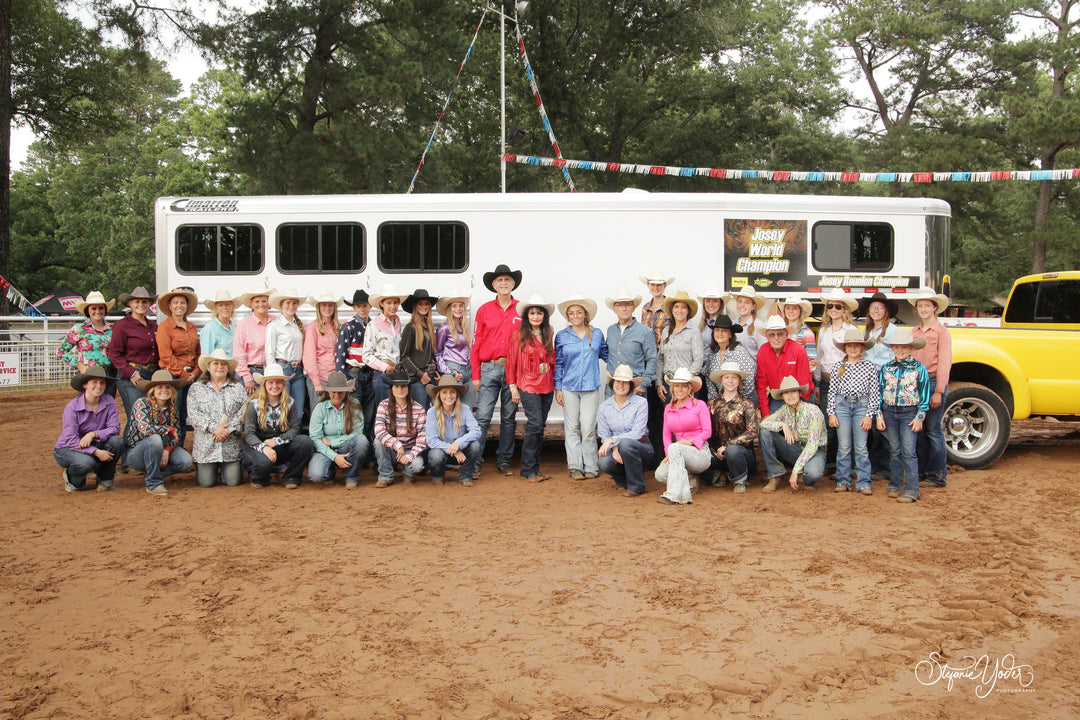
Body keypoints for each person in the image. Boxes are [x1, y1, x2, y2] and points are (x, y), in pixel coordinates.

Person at [471, 264, 523, 476]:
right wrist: (476, 375)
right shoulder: (484, 310)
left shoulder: (522, 309)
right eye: (499, 280)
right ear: (493, 285)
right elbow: (476, 343)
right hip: (489, 368)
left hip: (513, 370)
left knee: (509, 418)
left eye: (507, 280)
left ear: (513, 284)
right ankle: (475, 463)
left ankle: (504, 461)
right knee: (482, 417)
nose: (503, 283)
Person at [554, 295, 608, 480]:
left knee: (588, 428)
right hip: (569, 387)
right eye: (571, 313)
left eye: (579, 312)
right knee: (571, 428)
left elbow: (607, 355)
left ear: (585, 314)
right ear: (567, 316)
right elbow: (558, 363)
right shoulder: (562, 336)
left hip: (590, 386)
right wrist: (558, 388)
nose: (575, 316)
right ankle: (575, 466)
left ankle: (591, 466)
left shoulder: (597, 334)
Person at [877, 328, 931, 503]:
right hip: (889, 411)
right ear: (892, 348)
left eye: (904, 347)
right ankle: (896, 482)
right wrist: (879, 414)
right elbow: (880, 391)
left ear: (911, 349)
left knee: (908, 451)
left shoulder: (919, 368)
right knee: (895, 449)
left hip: (909, 412)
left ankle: (913, 488)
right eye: (897, 347)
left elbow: (924, 393)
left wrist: (920, 416)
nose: (900, 350)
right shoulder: (887, 367)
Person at [507, 295, 557, 483]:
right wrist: (513, 387)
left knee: (540, 426)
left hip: (547, 384)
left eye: (539, 313)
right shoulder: (518, 335)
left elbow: (551, 359)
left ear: (544, 316)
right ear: (527, 316)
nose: (536, 317)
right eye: (532, 313)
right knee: (535, 424)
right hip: (527, 384)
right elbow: (511, 361)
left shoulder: (549, 332)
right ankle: (527, 469)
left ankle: (534, 468)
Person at [242, 363, 314, 489]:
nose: (274, 386)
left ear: (283, 384)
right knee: (263, 462)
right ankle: (259, 477)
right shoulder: (254, 404)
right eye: (271, 382)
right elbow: (249, 433)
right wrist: (264, 447)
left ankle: (291, 476)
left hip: (279, 444)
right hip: (257, 445)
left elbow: (295, 428)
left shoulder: (290, 403)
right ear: (264, 384)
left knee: (305, 442)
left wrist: (276, 441)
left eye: (278, 382)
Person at [825, 329, 880, 495]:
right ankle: (843, 480)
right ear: (845, 348)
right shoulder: (838, 367)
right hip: (842, 405)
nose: (853, 348)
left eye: (856, 345)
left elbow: (874, 393)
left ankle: (863, 482)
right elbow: (832, 392)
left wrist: (869, 415)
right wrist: (831, 413)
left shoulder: (869, 367)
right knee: (844, 446)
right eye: (850, 345)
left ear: (862, 348)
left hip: (862, 405)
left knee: (861, 446)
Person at [54, 366, 125, 492]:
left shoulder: (109, 401)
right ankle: (72, 479)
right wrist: (96, 452)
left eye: (102, 383)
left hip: (94, 442)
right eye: (94, 382)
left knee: (117, 442)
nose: (99, 386)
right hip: (68, 448)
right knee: (86, 463)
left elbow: (114, 428)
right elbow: (70, 439)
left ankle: (105, 478)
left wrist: (93, 434)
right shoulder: (72, 407)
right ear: (85, 385)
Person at [124, 369, 194, 496]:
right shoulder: (141, 404)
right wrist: (168, 429)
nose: (164, 390)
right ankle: (153, 483)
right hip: (137, 453)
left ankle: (154, 472)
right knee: (155, 439)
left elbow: (177, 433)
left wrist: (167, 450)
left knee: (186, 461)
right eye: (160, 387)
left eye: (168, 387)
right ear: (153, 390)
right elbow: (145, 430)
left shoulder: (172, 407)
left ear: (172, 390)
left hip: (161, 448)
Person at [910, 287, 953, 489]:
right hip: (916, 383)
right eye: (920, 306)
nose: (924, 309)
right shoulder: (914, 332)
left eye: (927, 305)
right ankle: (921, 471)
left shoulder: (941, 332)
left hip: (933, 380)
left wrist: (939, 391)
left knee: (933, 430)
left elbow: (945, 362)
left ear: (934, 307)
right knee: (918, 430)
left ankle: (938, 474)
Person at [187, 348, 248, 488]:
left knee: (233, 482)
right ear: (208, 367)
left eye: (223, 364)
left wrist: (228, 430)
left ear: (228, 368)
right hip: (206, 446)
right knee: (206, 483)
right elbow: (194, 414)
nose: (220, 367)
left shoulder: (238, 388)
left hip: (230, 444)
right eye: (216, 363)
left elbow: (243, 412)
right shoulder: (196, 388)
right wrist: (215, 428)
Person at [814, 288, 859, 471]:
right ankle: (831, 461)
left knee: (845, 422)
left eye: (838, 306)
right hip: (826, 381)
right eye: (830, 306)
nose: (833, 309)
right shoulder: (824, 330)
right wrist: (817, 383)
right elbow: (819, 357)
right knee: (828, 422)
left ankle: (848, 464)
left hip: (845, 381)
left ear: (845, 309)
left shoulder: (851, 330)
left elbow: (857, 357)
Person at [758, 375, 827, 493]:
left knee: (812, 475)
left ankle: (802, 473)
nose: (790, 395)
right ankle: (775, 474)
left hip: (815, 451)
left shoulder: (813, 411)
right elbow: (763, 424)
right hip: (795, 448)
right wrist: (782, 425)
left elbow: (812, 445)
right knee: (764, 433)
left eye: (793, 391)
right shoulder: (784, 410)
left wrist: (795, 471)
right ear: (782, 396)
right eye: (786, 392)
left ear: (799, 393)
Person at [107, 286, 160, 435]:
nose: (141, 305)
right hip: (132, 375)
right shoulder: (122, 326)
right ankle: (129, 448)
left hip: (151, 374)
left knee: (148, 415)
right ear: (130, 304)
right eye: (137, 301)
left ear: (149, 304)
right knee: (137, 416)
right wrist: (131, 373)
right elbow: (114, 353)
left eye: (144, 302)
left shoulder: (153, 326)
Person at [655, 368, 712, 505]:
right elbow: (666, 434)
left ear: (690, 389)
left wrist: (691, 442)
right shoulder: (668, 408)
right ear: (672, 388)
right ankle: (690, 481)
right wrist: (669, 454)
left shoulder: (700, 405)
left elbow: (707, 431)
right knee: (660, 474)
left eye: (684, 386)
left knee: (676, 447)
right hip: (677, 451)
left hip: (699, 452)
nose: (680, 389)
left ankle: (675, 495)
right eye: (677, 386)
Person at [858, 292, 899, 479]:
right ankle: (876, 465)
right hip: (869, 381)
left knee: (885, 424)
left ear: (886, 311)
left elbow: (897, 356)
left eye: (880, 307)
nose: (876, 310)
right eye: (873, 307)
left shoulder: (892, 331)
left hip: (885, 380)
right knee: (873, 425)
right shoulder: (866, 332)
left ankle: (889, 467)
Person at [597, 365, 652, 497]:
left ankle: (637, 486)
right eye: (618, 381)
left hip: (641, 446)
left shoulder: (641, 403)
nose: (621, 385)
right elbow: (604, 434)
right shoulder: (604, 407)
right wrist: (615, 448)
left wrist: (613, 440)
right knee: (604, 462)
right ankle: (622, 481)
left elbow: (638, 432)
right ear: (612, 384)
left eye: (625, 382)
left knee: (626, 444)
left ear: (630, 385)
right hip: (618, 448)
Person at [307, 371, 370, 489]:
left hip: (344, 446)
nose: (337, 395)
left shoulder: (354, 404)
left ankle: (351, 476)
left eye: (340, 391)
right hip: (325, 449)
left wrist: (333, 442)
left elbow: (357, 431)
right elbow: (315, 437)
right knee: (316, 476)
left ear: (345, 391)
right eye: (333, 391)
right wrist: (335, 457)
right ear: (328, 392)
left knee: (361, 441)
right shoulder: (320, 407)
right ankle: (330, 471)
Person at [156, 287, 201, 448]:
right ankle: (168, 447)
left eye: (182, 302)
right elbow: (166, 356)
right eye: (175, 302)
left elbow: (198, 353)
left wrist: (195, 372)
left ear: (186, 306)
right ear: (170, 306)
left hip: (191, 376)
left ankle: (179, 447)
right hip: (174, 377)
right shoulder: (164, 327)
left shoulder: (191, 327)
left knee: (184, 414)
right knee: (172, 414)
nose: (179, 306)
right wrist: (184, 375)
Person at [706, 361, 759, 493]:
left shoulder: (746, 404)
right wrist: (714, 450)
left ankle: (739, 480)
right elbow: (706, 429)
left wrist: (728, 446)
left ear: (739, 380)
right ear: (721, 380)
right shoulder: (712, 403)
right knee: (700, 457)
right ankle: (722, 472)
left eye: (734, 377)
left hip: (740, 454)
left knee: (733, 451)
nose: (730, 381)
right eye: (727, 377)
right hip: (717, 453)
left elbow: (752, 431)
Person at [373, 368, 427, 488]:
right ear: (391, 389)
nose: (400, 390)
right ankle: (385, 476)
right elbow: (379, 430)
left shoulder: (419, 409)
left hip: (409, 449)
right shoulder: (383, 405)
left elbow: (422, 438)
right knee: (378, 442)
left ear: (408, 388)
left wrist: (410, 455)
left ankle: (407, 473)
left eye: (403, 386)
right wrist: (397, 445)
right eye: (396, 386)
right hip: (391, 450)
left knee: (417, 466)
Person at [639, 270, 672, 466]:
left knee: (665, 410)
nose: (656, 287)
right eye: (653, 284)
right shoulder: (645, 308)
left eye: (659, 284)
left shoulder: (670, 307)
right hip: (648, 363)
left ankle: (665, 454)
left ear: (664, 286)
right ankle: (654, 455)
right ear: (649, 286)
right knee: (650, 411)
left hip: (665, 362)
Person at [426, 375, 483, 486]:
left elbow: (476, 431)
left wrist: (458, 443)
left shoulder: (465, 409)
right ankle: (437, 476)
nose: (449, 396)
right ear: (439, 395)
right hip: (442, 452)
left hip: (461, 450)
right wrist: (452, 449)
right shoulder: (432, 412)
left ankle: (466, 476)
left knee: (475, 446)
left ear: (457, 394)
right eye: (444, 392)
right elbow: (431, 440)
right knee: (436, 455)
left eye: (452, 392)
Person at [336, 289, 376, 444]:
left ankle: (367, 445)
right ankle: (355, 444)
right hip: (354, 374)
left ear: (370, 306)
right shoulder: (348, 327)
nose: (362, 309)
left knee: (370, 411)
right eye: (359, 306)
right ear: (354, 308)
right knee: (355, 412)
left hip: (371, 373)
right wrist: (344, 378)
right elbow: (340, 355)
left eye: (365, 305)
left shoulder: (374, 326)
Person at [57, 290, 116, 396]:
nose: (97, 311)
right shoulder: (79, 329)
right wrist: (79, 366)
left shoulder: (112, 330)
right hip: (88, 375)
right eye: (94, 308)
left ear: (105, 310)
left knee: (107, 404)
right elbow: (61, 351)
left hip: (107, 376)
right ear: (88, 310)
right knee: (87, 405)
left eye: (101, 308)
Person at [603, 289, 657, 401]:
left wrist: (643, 384)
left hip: (635, 389)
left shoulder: (645, 331)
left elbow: (652, 359)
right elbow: (608, 354)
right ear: (614, 309)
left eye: (628, 304)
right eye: (620, 305)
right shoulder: (611, 330)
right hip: (612, 389)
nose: (624, 308)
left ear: (633, 307)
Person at [755, 315, 814, 415]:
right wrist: (765, 412)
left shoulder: (798, 350)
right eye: (772, 335)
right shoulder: (763, 351)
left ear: (786, 334)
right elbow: (761, 384)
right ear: (766, 336)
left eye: (780, 334)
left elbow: (804, 381)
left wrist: (798, 410)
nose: (776, 338)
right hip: (778, 398)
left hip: (801, 397)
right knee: (768, 424)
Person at [362, 284, 407, 406]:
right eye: (389, 303)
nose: (393, 306)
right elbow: (366, 355)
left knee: (397, 409)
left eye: (395, 303)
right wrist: (384, 367)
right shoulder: (373, 325)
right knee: (384, 410)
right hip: (383, 374)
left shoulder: (397, 322)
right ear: (381, 304)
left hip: (397, 372)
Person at [656, 290, 704, 402]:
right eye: (676, 307)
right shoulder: (666, 331)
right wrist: (659, 383)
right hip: (668, 383)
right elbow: (660, 358)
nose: (680, 310)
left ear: (688, 311)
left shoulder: (694, 331)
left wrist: (686, 381)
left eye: (683, 307)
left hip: (686, 385)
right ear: (672, 310)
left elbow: (698, 359)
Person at [266, 289, 308, 414]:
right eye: (288, 303)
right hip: (282, 369)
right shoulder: (273, 326)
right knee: (283, 409)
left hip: (298, 371)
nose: (291, 306)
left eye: (294, 303)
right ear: (281, 305)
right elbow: (269, 353)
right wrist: (273, 375)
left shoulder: (298, 325)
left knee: (298, 411)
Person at [400, 288, 440, 409]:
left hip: (431, 376)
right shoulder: (410, 328)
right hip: (418, 379)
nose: (424, 306)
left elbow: (431, 354)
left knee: (431, 412)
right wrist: (420, 374)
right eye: (420, 304)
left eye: (426, 304)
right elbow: (404, 358)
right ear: (415, 307)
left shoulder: (429, 326)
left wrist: (437, 371)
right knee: (420, 412)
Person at [303, 293, 343, 414]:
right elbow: (309, 356)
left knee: (335, 413)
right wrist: (316, 382)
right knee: (318, 413)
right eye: (324, 305)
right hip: (319, 377)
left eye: (330, 305)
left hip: (335, 378)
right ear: (319, 308)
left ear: (334, 308)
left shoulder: (339, 327)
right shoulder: (313, 328)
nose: (327, 308)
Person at [234, 284, 276, 394]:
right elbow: (239, 353)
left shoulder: (276, 322)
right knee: (252, 404)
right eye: (257, 301)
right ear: (252, 305)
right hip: (251, 372)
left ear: (269, 303)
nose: (261, 304)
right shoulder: (244, 324)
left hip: (272, 372)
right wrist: (247, 378)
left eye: (264, 301)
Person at [702, 316, 756, 401]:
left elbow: (749, 377)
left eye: (724, 331)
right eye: (717, 330)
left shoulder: (738, 351)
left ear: (730, 334)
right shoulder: (713, 355)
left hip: (743, 400)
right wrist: (714, 402)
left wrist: (741, 400)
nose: (720, 333)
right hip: (721, 401)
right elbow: (709, 380)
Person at [435, 293, 475, 408]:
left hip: (468, 370)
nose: (458, 309)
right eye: (454, 306)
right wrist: (449, 372)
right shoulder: (444, 328)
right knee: (454, 407)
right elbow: (438, 354)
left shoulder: (464, 327)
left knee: (468, 407)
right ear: (449, 309)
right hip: (454, 369)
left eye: (461, 306)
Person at [775, 296, 817, 374]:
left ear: (800, 311)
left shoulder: (807, 333)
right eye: (788, 308)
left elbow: (812, 362)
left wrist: (801, 375)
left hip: (799, 377)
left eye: (795, 308)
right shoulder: (781, 332)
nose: (791, 311)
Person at [723, 286, 768, 356]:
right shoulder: (732, 324)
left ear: (753, 306)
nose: (742, 305)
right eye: (740, 301)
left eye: (747, 302)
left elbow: (765, 353)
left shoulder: (759, 326)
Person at [199, 290, 239, 358]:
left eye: (227, 304)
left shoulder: (234, 328)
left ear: (232, 307)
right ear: (216, 308)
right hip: (219, 365)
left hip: (234, 364)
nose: (224, 308)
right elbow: (206, 356)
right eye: (221, 305)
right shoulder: (210, 329)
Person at [698, 286, 727, 366]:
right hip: (701, 366)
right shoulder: (702, 324)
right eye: (708, 301)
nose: (711, 304)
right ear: (704, 303)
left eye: (715, 301)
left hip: (715, 366)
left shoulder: (724, 324)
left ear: (720, 303)